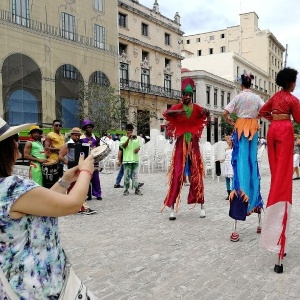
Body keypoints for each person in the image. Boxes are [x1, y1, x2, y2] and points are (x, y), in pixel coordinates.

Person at [0, 117, 95, 298]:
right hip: (38, 287)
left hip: (17, 283)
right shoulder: (13, 188)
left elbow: (41, 203)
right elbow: (73, 204)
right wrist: (86, 171)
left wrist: (65, 180)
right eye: (15, 138)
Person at [259, 67, 300, 273]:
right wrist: (286, 119)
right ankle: (278, 246)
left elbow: (262, 111)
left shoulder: (275, 97)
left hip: (273, 131)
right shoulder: (292, 100)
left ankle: (277, 240)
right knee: (283, 184)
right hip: (284, 132)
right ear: (291, 83)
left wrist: (273, 119)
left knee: (277, 178)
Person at [223, 71, 264, 242]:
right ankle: (258, 218)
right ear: (251, 84)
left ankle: (235, 227)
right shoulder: (256, 99)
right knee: (252, 166)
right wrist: (256, 118)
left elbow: (225, 112)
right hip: (253, 130)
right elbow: (264, 111)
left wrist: (232, 121)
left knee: (239, 167)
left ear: (241, 84)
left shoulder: (238, 97)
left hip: (240, 128)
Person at [161, 77, 209, 220]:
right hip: (181, 144)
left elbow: (205, 115)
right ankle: (171, 207)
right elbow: (166, 113)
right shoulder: (177, 107)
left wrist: (207, 112)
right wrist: (178, 113)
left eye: (189, 95)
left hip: (193, 145)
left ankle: (201, 205)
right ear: (182, 95)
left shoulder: (197, 108)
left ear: (192, 95)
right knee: (177, 174)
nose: (187, 97)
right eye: (185, 94)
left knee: (197, 173)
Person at [59, 127, 97, 215]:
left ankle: (77, 207)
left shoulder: (79, 144)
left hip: (76, 170)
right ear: (71, 135)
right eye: (75, 135)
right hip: (69, 170)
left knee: (74, 189)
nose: (77, 137)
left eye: (78, 135)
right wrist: (68, 163)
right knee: (73, 189)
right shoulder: (67, 145)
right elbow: (60, 156)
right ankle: (81, 208)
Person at [81, 119, 102, 200]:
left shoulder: (96, 138)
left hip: (94, 160)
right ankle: (87, 194)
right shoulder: (81, 138)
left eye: (90, 127)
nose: (89, 129)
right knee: (86, 177)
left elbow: (99, 148)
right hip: (85, 160)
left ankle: (98, 194)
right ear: (84, 128)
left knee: (96, 177)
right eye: (87, 127)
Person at [120, 124, 142, 196]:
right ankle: (126, 190)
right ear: (126, 131)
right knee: (126, 176)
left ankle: (136, 189)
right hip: (127, 160)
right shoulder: (123, 138)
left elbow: (139, 146)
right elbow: (123, 146)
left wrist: (137, 149)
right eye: (128, 130)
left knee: (135, 176)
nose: (130, 131)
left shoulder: (135, 138)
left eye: (131, 130)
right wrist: (128, 139)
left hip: (135, 159)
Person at [221, 135, 234, 200]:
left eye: (229, 139)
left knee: (233, 178)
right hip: (226, 164)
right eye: (227, 140)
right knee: (227, 179)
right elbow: (225, 156)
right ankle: (228, 193)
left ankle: (233, 192)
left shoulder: (234, 149)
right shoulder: (226, 149)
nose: (227, 141)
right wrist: (222, 160)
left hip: (231, 164)